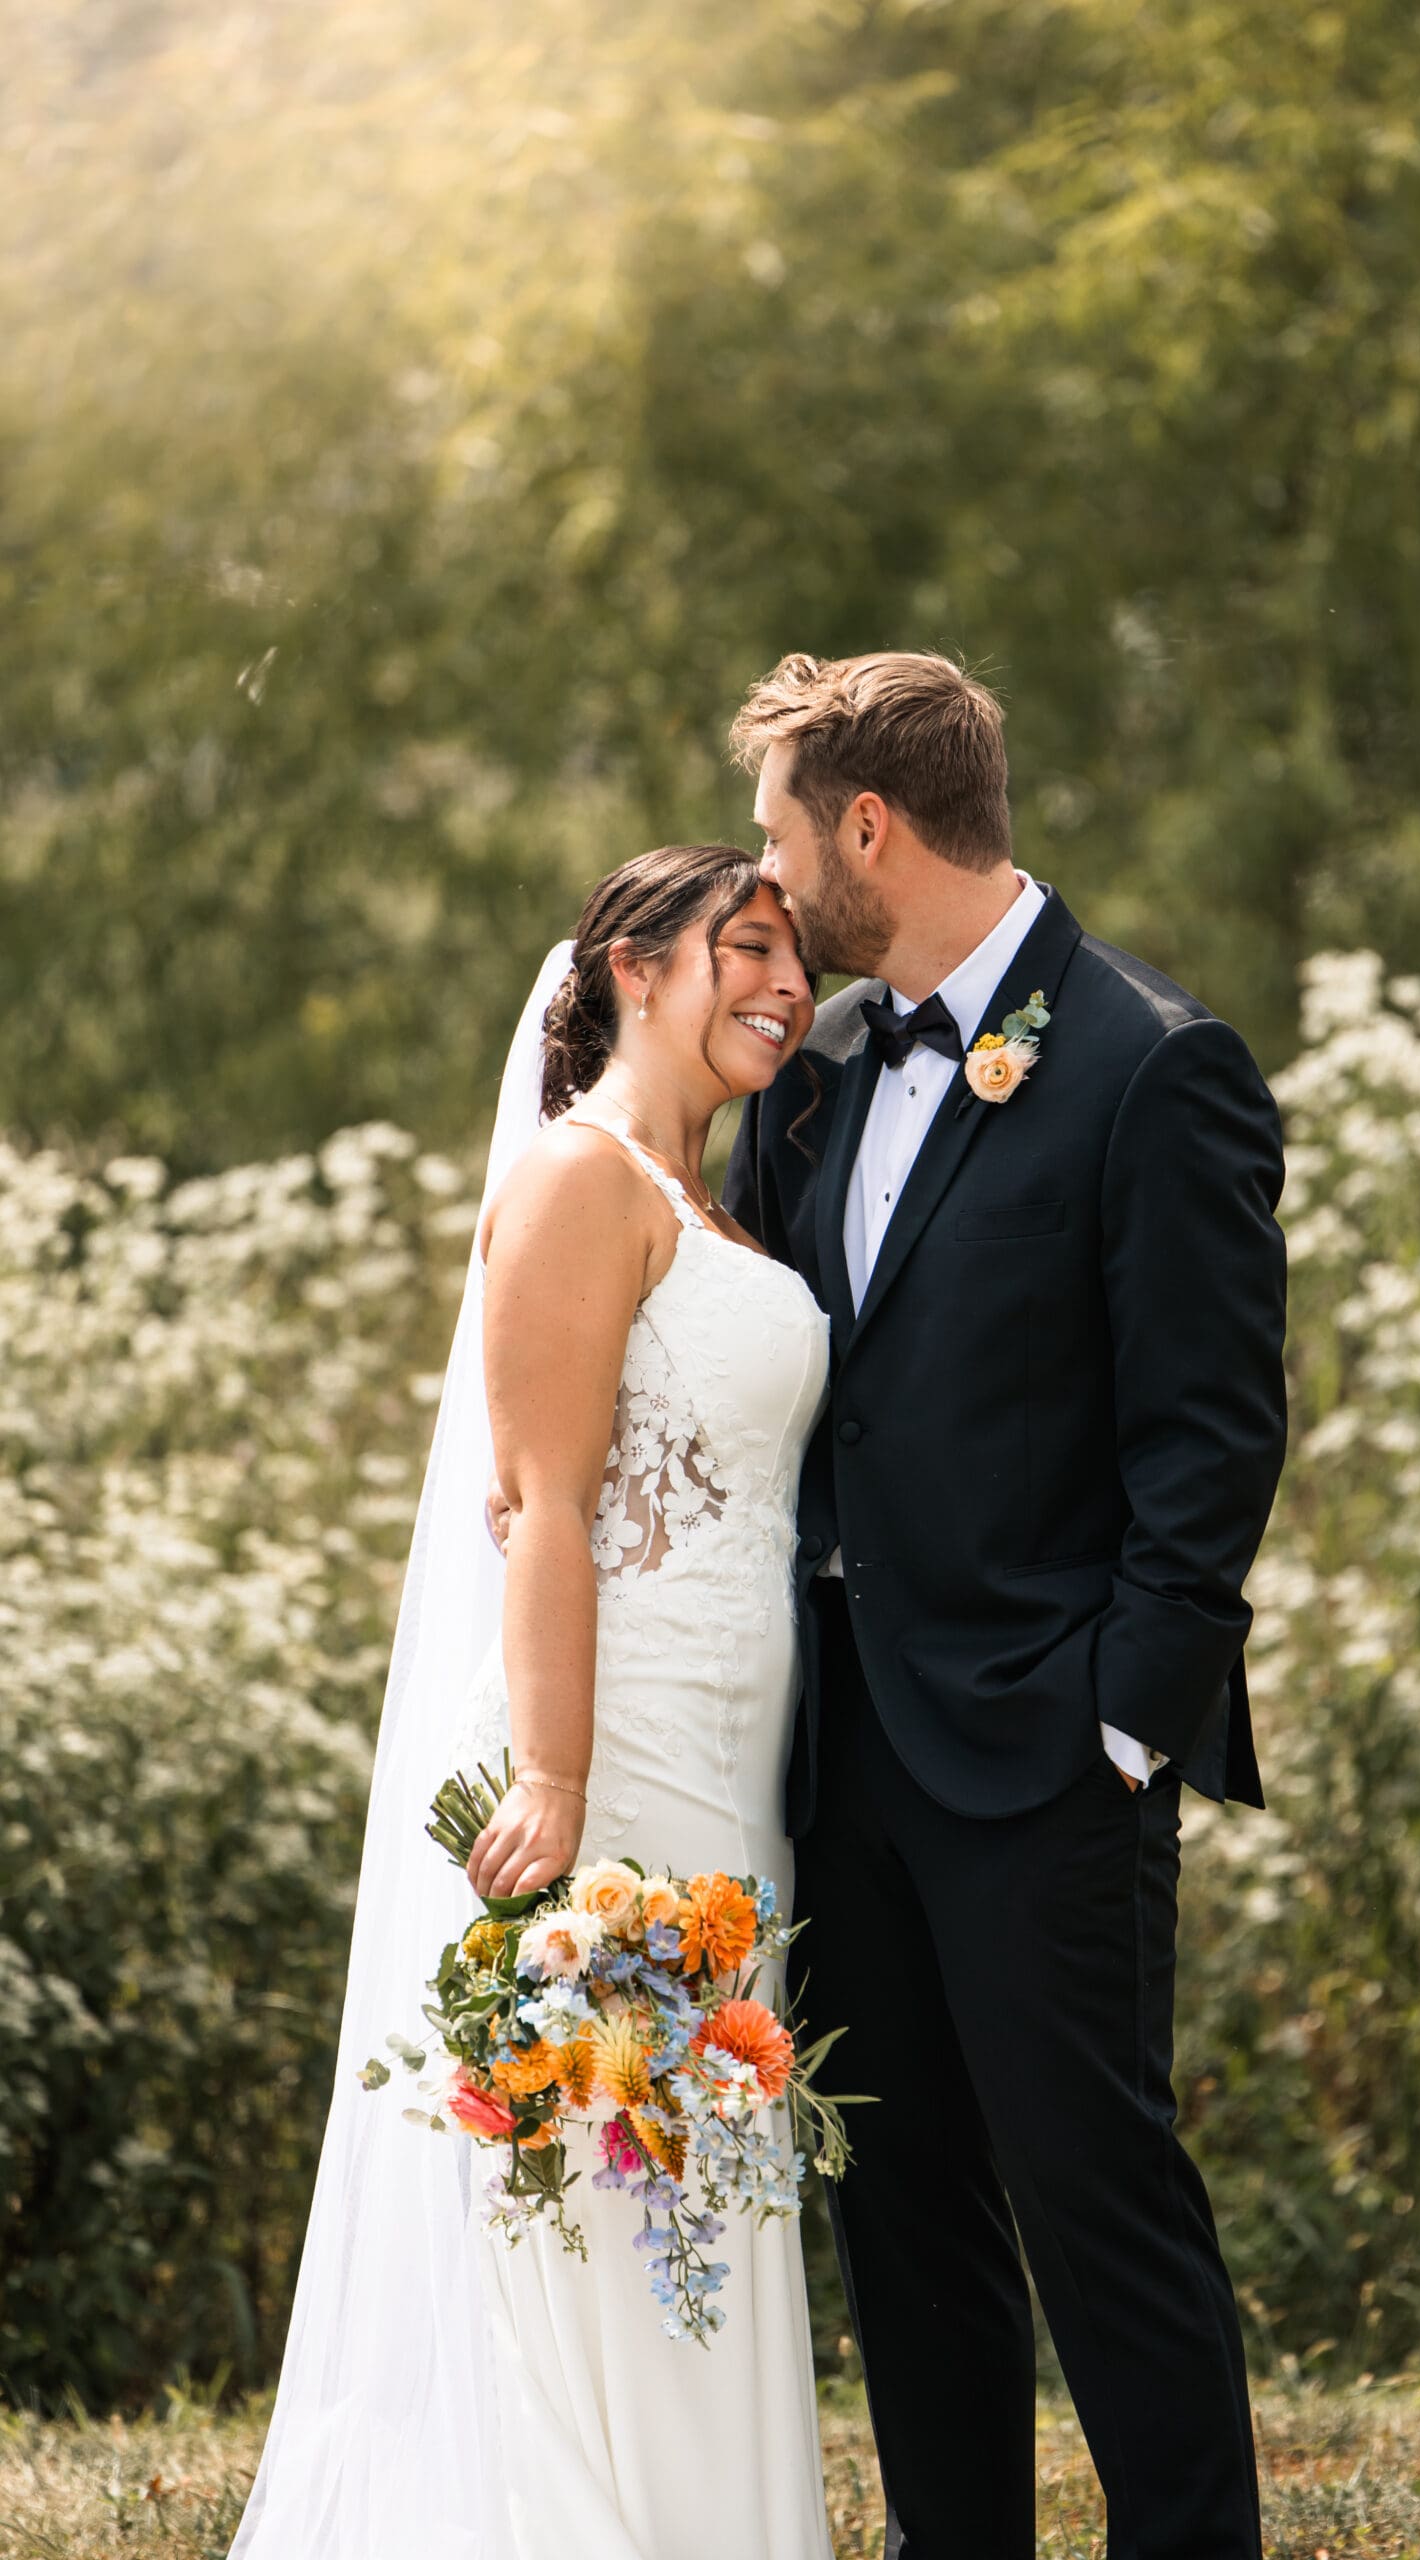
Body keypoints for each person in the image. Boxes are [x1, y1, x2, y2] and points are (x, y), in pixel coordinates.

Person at [722, 651, 1289, 2560]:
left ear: (867, 825)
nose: (770, 883)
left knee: (1098, 2209)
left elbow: (1211, 1443)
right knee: (907, 2223)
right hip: (846, 1756)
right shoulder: (809, 1086)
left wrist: (1124, 1724)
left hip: (1053, 1752)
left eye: (780, 837)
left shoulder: (1151, 1060)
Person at [231, 844, 835, 2560]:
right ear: (637, 967)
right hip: (621, 1752)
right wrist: (557, 1777)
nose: (784, 989)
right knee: (625, 2173)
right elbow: (545, 1499)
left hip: (737, 1768)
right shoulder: (583, 1181)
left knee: (707, 2168)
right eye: (748, 949)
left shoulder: (714, 1200)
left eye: (798, 962)